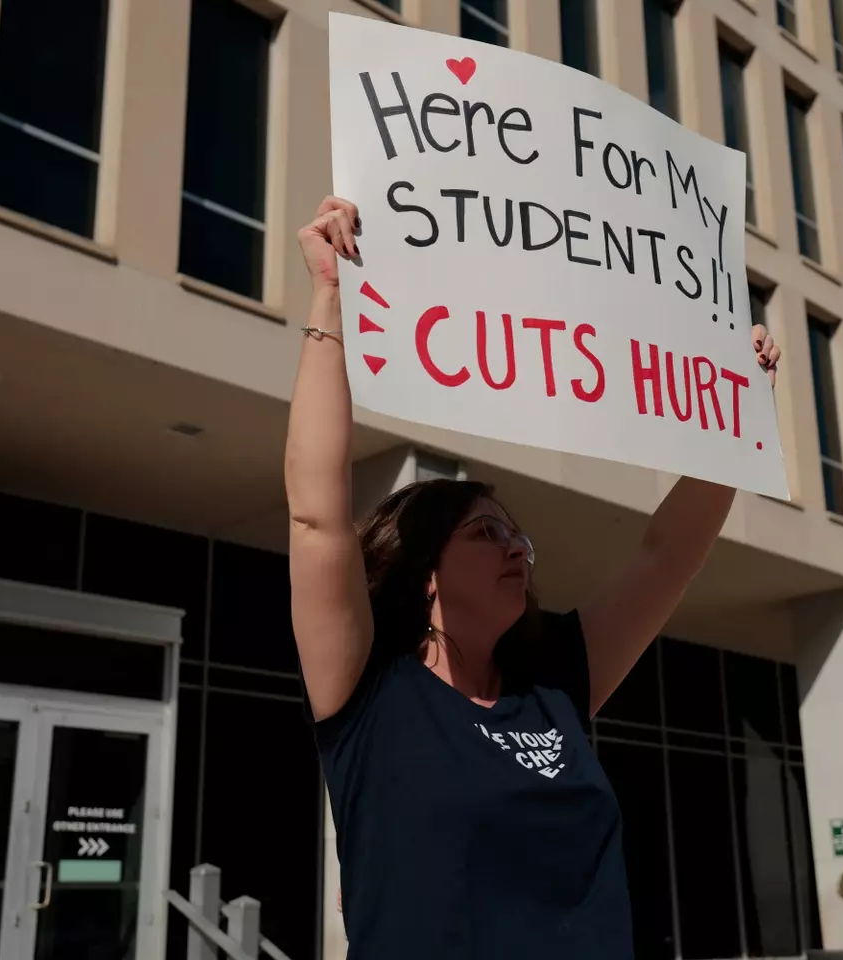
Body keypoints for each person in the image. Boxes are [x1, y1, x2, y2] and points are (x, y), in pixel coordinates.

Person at [285, 196, 780, 959]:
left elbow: (667, 557)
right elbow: (317, 516)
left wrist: (739, 408)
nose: (516, 546)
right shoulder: (368, 694)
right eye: (486, 533)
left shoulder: (555, 680)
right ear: (423, 574)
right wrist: (329, 295)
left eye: (517, 532)